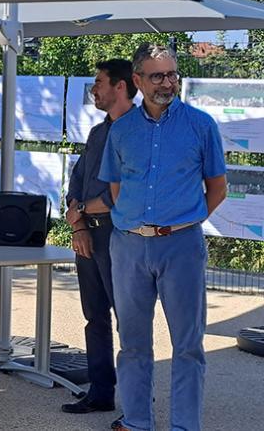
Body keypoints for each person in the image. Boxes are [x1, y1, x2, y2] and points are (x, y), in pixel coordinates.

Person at [99, 43, 227, 431]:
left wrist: (184, 221)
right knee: (134, 344)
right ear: (137, 81)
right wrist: (138, 224)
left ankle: (185, 426)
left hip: (181, 247)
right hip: (129, 246)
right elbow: (117, 188)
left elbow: (217, 187)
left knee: (187, 346)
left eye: (172, 74)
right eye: (157, 76)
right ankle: (138, 422)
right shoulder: (121, 130)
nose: (168, 83)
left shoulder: (201, 125)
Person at [61, 59, 136, 415]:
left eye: (99, 82)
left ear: (120, 86)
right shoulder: (96, 132)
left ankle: (137, 395)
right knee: (95, 318)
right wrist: (77, 224)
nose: (94, 88)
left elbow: (127, 190)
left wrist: (86, 210)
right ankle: (101, 392)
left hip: (122, 238)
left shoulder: (140, 130)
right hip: (88, 236)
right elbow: (77, 179)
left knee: (129, 319)